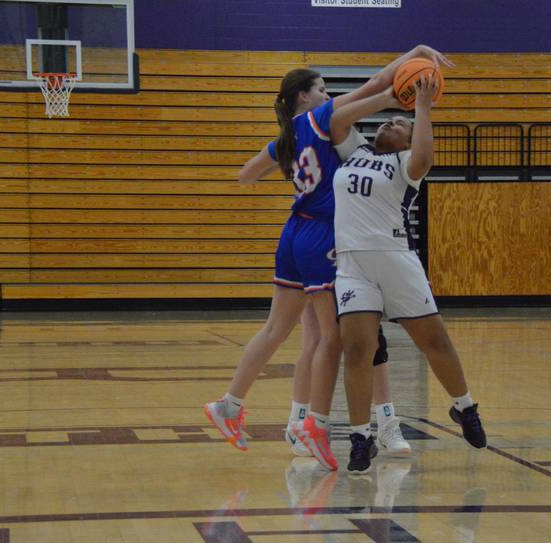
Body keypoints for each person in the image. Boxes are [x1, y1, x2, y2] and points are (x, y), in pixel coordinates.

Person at [204, 46, 451, 468]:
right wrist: (405, 72)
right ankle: (314, 425)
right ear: (304, 95)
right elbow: (374, 85)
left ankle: (230, 404)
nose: (326, 94)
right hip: (324, 235)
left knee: (278, 330)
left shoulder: (289, 135)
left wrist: (295, 172)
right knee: (332, 338)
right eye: (321, 89)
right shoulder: (320, 120)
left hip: (293, 230)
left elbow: (246, 175)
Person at [328, 76, 487, 473]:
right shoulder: (354, 152)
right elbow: (336, 122)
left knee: (434, 340)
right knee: (358, 351)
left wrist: (422, 107)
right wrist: (384, 95)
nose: (388, 124)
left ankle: (464, 407)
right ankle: (361, 436)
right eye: (386, 121)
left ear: (408, 139)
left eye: (398, 125)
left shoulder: (405, 165)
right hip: (352, 265)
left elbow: (424, 157)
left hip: (396, 258)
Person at [285, 307, 410, 458]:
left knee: (373, 340)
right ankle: (298, 422)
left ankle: (387, 423)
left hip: (356, 284)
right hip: (320, 284)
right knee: (315, 342)